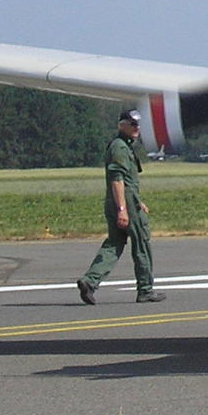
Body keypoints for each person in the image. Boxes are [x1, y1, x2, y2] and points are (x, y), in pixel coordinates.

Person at [76, 109, 162, 304]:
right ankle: (145, 289)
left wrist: (138, 202)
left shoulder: (123, 146)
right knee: (141, 243)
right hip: (124, 202)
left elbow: (127, 182)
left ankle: (90, 281)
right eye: (132, 124)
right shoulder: (120, 148)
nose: (136, 128)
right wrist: (124, 209)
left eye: (138, 125)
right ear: (121, 125)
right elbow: (117, 180)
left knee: (114, 243)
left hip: (122, 200)